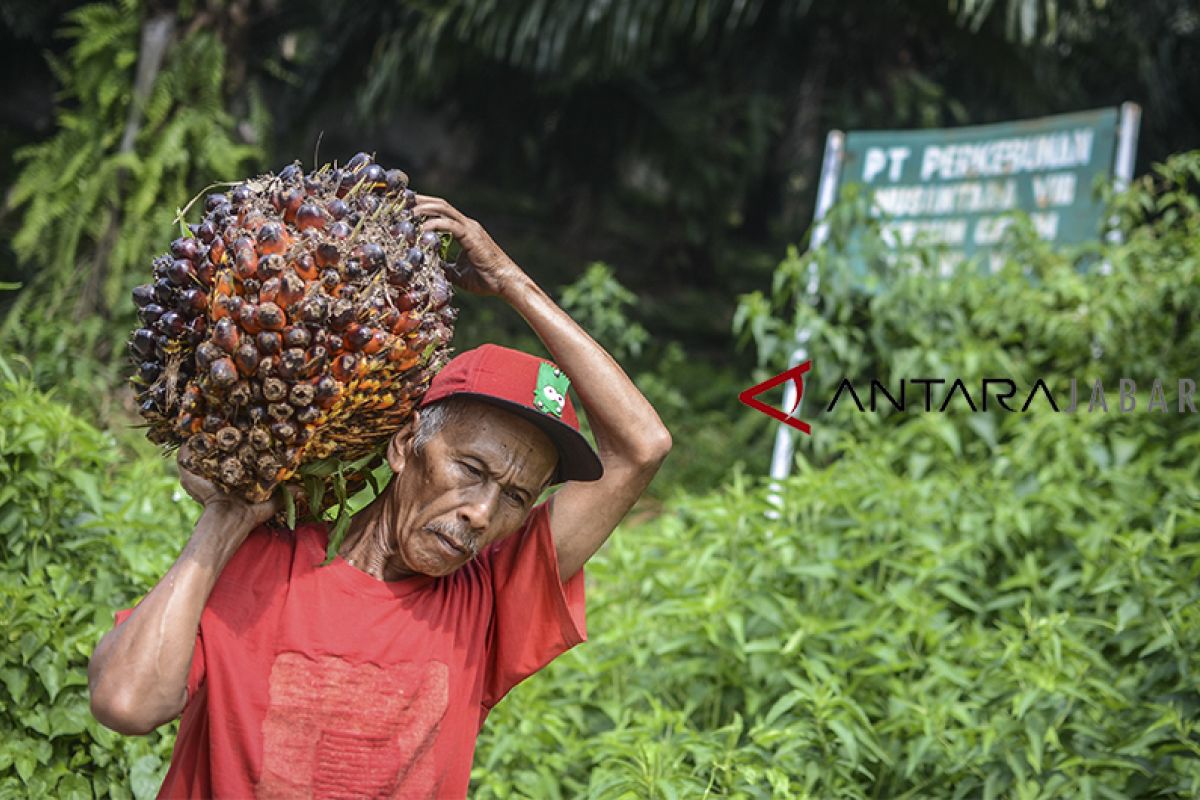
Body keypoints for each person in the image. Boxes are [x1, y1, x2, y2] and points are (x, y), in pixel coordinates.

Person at [87, 195, 672, 798]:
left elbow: (641, 447)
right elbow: (127, 703)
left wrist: (508, 280)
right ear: (402, 446)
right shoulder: (260, 562)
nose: (482, 512)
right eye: (470, 469)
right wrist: (224, 520)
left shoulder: (492, 601)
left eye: (516, 497)